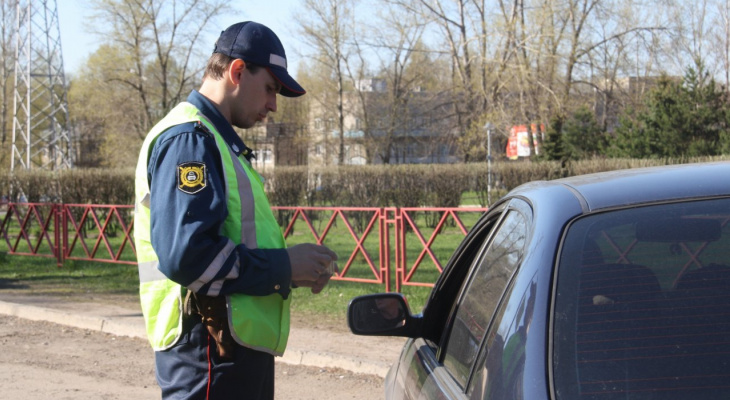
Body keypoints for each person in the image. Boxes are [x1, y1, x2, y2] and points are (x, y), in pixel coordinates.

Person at [133, 21, 338, 400]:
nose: (273, 105)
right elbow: (187, 255)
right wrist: (283, 267)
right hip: (207, 352)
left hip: (227, 349)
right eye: (271, 89)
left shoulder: (217, 142)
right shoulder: (190, 140)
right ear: (238, 71)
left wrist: (293, 270)